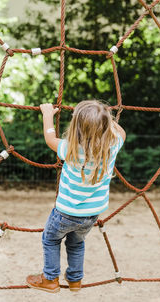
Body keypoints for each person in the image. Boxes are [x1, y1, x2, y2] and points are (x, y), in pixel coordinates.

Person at [26, 100, 126, 293]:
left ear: (76, 127)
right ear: (106, 126)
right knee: (77, 243)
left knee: (50, 239)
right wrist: (105, 116)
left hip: (65, 212)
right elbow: (121, 132)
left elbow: (50, 139)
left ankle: (50, 279)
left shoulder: (71, 148)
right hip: (91, 215)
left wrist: (47, 115)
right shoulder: (112, 147)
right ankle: (75, 280)